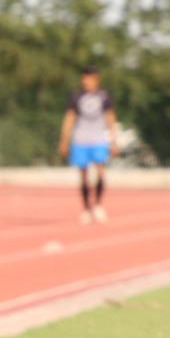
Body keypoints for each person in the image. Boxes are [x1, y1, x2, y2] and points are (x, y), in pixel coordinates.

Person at [59, 66, 118, 225]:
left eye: (89, 78)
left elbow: (110, 118)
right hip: (80, 139)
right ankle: (86, 208)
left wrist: (113, 140)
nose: (86, 81)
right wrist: (64, 140)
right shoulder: (76, 96)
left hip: (98, 138)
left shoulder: (104, 96)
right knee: (83, 176)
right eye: (84, 78)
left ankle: (98, 205)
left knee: (100, 173)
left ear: (96, 79)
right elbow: (69, 118)